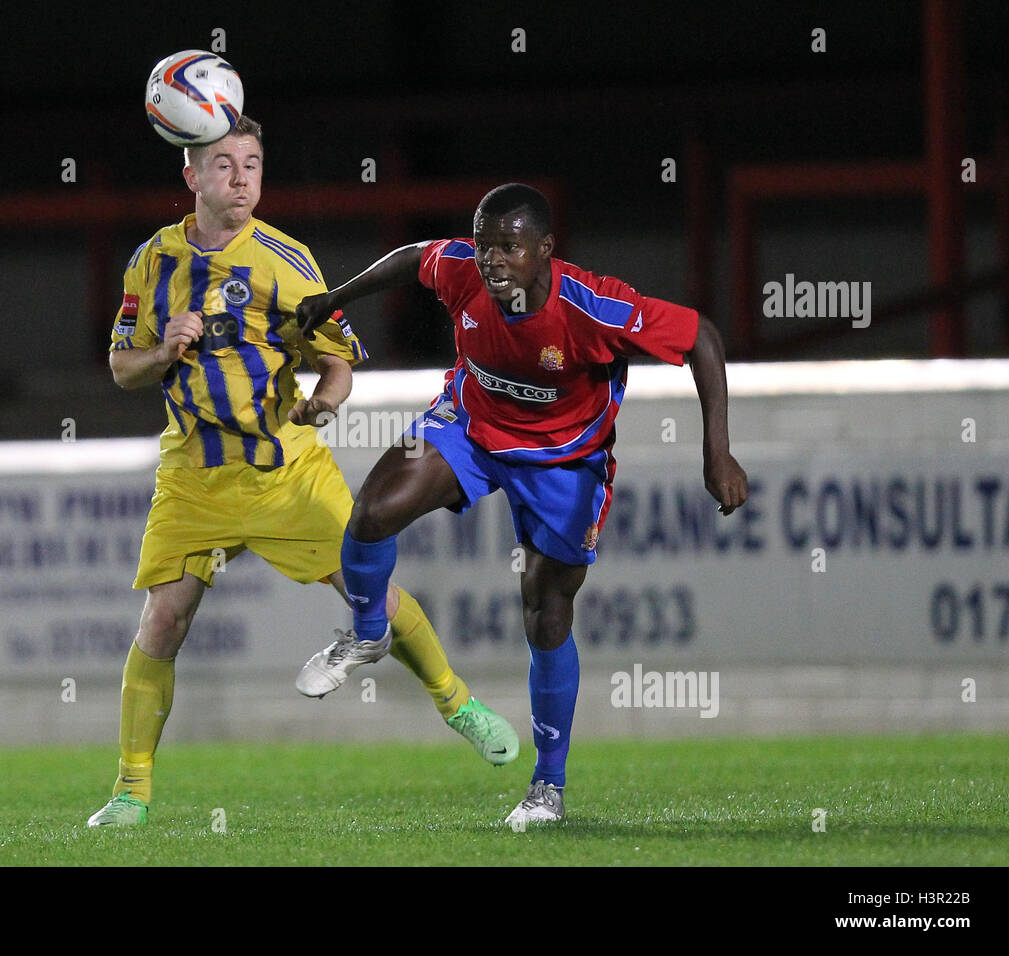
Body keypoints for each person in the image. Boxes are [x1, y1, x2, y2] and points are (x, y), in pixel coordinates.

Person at [87, 118, 519, 827]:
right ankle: (130, 793)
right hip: (193, 477)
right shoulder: (150, 263)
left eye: (252, 164)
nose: (241, 178)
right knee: (163, 621)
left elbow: (340, 360)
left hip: (287, 471)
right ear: (190, 176)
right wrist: (163, 352)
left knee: (368, 593)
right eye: (223, 165)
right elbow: (120, 366)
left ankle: (459, 705)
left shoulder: (287, 261)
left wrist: (323, 400)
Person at [295, 183, 749, 825]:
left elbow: (700, 336)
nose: (492, 260)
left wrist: (717, 454)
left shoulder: (593, 307)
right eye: (484, 246)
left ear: (544, 250)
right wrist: (336, 299)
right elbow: (413, 257)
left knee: (545, 608)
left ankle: (548, 787)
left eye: (508, 247)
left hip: (566, 462)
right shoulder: (464, 271)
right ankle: (369, 632)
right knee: (372, 512)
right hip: (471, 428)